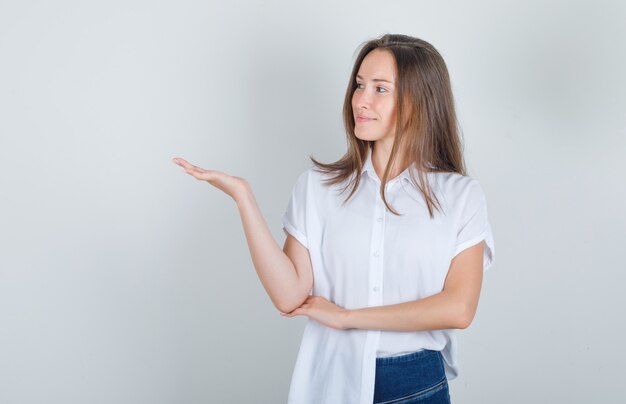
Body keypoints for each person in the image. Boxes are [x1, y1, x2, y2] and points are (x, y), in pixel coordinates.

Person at [172, 33, 495, 404]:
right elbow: (289, 295)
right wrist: (243, 197)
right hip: (332, 377)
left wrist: (347, 317)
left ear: (417, 102)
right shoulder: (317, 188)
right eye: (359, 85)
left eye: (379, 89)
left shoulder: (460, 196)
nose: (361, 100)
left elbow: (458, 308)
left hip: (417, 383)